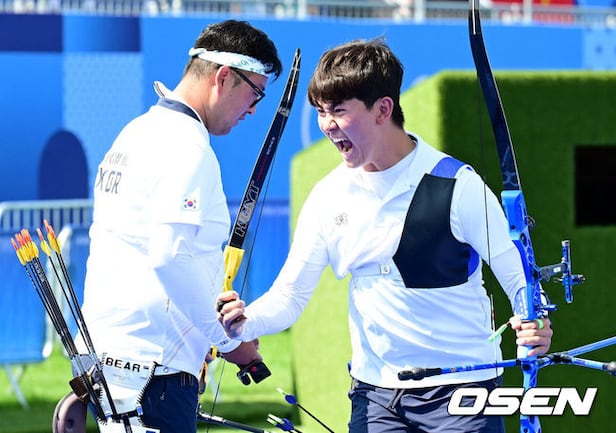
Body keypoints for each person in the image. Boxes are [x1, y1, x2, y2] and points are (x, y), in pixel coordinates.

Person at [217, 38, 553, 433]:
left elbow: (520, 278)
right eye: (321, 111)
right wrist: (245, 322)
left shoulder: (457, 185)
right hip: (375, 396)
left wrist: (536, 321)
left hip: (462, 393)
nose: (327, 125)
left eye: (338, 111)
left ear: (383, 109)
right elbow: (290, 296)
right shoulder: (328, 194)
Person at [78, 19, 282, 433]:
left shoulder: (137, 131)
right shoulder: (187, 147)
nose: (253, 110)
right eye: (255, 93)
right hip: (153, 376)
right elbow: (169, 257)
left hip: (115, 365)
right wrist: (228, 341)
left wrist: (200, 333)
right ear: (224, 77)